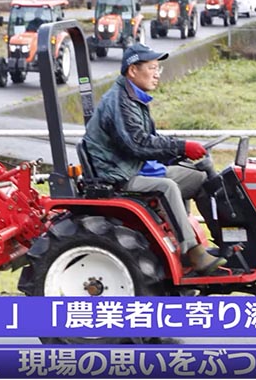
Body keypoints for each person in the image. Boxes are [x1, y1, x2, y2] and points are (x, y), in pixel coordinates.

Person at [82, 43, 226, 274]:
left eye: (159, 68)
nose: (158, 74)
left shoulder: (134, 98)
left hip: (134, 167)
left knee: (199, 177)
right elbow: (138, 143)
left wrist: (179, 150)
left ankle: (226, 240)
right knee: (166, 187)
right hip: (119, 174)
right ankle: (192, 252)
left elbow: (150, 138)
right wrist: (181, 146)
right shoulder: (119, 102)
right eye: (152, 68)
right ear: (132, 70)